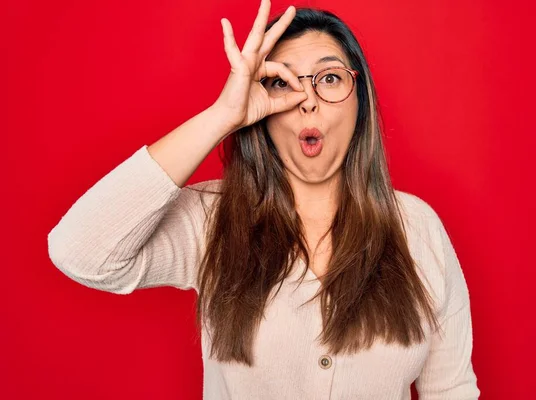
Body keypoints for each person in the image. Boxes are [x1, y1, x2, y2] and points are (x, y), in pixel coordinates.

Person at [47, 0, 480, 398]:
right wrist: (223, 116)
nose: (307, 100)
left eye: (329, 78)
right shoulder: (213, 218)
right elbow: (80, 252)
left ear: (359, 99)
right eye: (282, 82)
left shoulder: (417, 227)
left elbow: (452, 389)